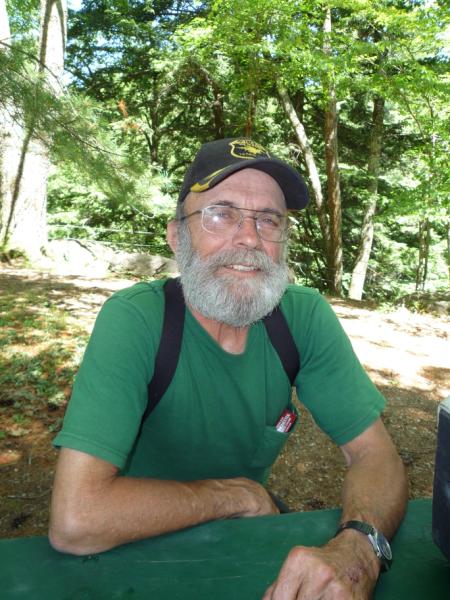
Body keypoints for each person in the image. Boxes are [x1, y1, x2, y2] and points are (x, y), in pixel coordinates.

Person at [49, 137, 408, 599]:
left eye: (269, 220)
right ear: (177, 236)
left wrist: (358, 552)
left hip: (239, 546)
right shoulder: (137, 320)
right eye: (221, 214)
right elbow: (77, 519)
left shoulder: (302, 318)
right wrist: (235, 495)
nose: (249, 237)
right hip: (129, 555)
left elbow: (375, 454)